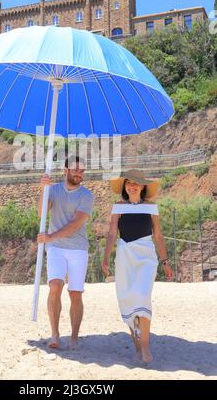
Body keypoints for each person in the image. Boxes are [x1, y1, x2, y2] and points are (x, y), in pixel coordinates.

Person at [101, 169, 173, 363]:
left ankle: (146, 349)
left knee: (142, 297)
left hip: (146, 257)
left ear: (143, 187)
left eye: (136, 183)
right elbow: (111, 234)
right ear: (124, 187)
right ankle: (137, 348)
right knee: (127, 300)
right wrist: (106, 258)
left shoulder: (151, 207)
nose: (132, 185)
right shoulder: (118, 207)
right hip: (124, 257)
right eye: (128, 183)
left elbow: (158, 235)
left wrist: (165, 261)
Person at [37, 155, 93, 350]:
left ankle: (74, 337)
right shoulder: (53, 190)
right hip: (56, 248)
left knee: (75, 293)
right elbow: (41, 213)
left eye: (82, 171)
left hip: (78, 248)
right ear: (66, 170)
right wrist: (43, 190)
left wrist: (50, 237)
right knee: (54, 286)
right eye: (76, 170)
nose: (79, 173)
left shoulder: (86, 195)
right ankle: (55, 334)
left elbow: (76, 223)